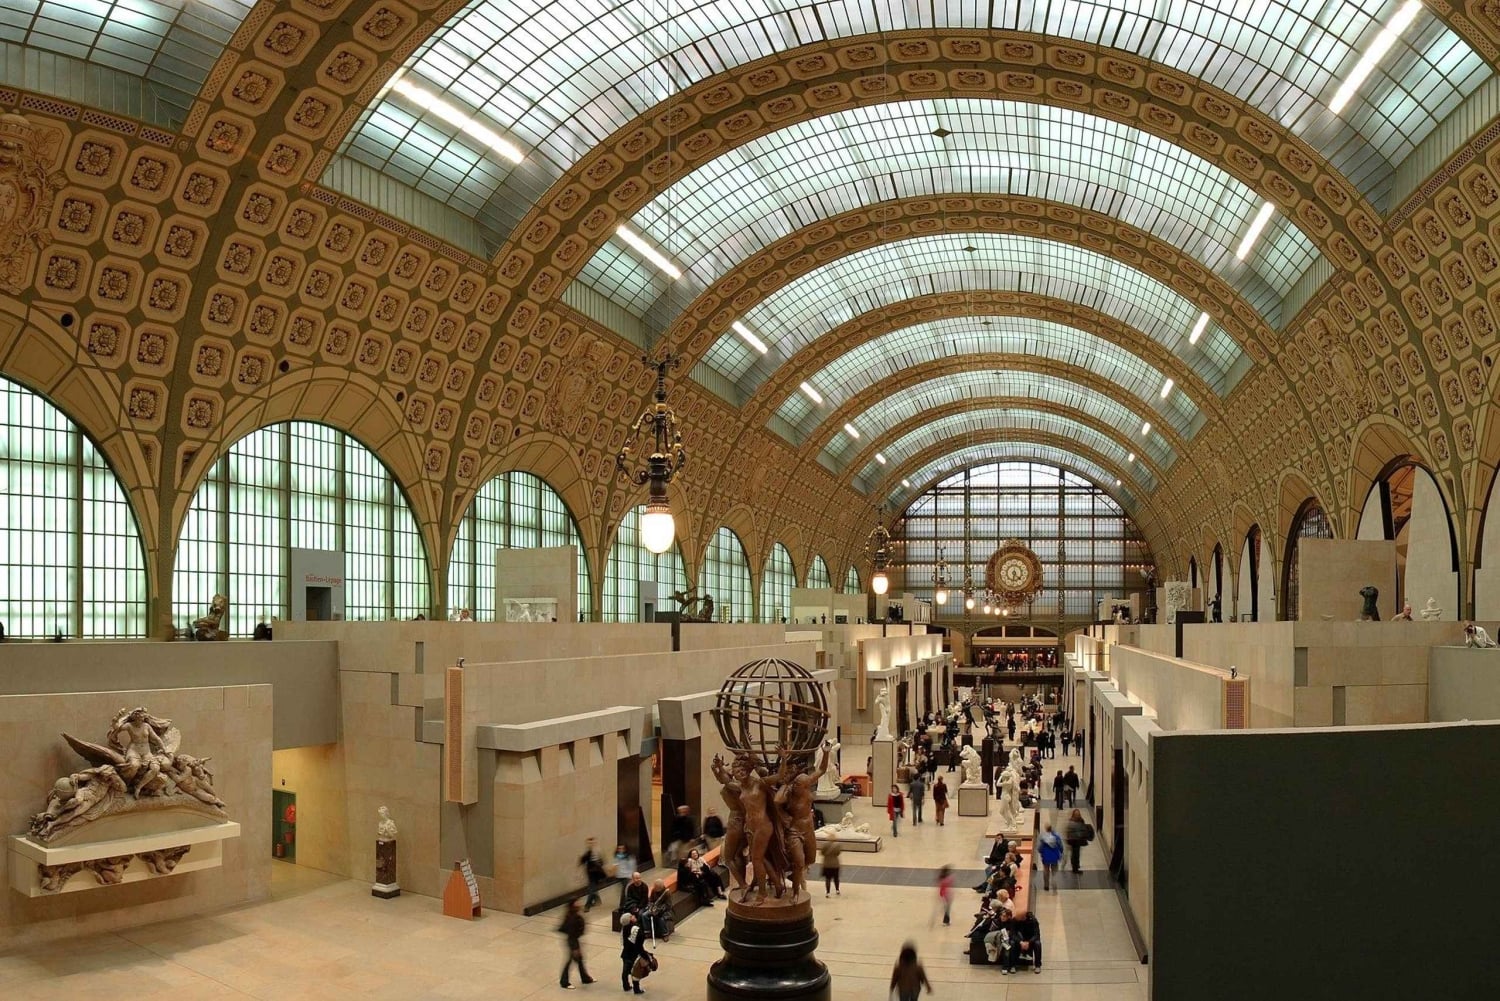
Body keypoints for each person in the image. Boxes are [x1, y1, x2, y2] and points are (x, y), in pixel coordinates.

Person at [558, 899, 594, 989]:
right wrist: (575, 948)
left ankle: (585, 978)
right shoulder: (572, 918)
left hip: (574, 940)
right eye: (576, 903)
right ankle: (564, 982)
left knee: (579, 959)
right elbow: (572, 934)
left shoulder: (573, 915)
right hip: (572, 941)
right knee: (570, 960)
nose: (579, 904)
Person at [619, 912, 648, 994]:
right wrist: (645, 956)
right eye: (631, 916)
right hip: (634, 955)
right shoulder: (637, 930)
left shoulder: (624, 929)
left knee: (625, 972)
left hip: (626, 954)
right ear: (629, 920)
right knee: (636, 973)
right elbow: (639, 945)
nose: (634, 916)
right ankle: (636, 989)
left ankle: (626, 986)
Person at [1008, 910, 1042, 974]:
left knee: (1038, 943)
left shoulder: (1033, 920)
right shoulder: (1014, 920)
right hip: (1019, 940)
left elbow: (1036, 934)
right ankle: (1012, 965)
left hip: (1030, 940)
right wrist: (1020, 942)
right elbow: (1012, 934)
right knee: (1012, 943)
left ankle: (1038, 965)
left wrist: (1029, 942)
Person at [579, 837, 608, 911]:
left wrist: (598, 865)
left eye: (592, 843)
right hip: (590, 873)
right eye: (589, 843)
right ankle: (597, 900)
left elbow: (603, 861)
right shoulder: (587, 852)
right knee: (592, 887)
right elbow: (583, 861)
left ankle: (587, 905)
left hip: (597, 873)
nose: (590, 844)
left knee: (591, 888)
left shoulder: (598, 851)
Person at [1038, 823, 1064, 891]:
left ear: (1046, 829)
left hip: (1046, 855)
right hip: (1054, 855)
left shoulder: (1043, 837)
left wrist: (1041, 852)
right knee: (1054, 870)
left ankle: (1046, 885)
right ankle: (1054, 882)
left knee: (1046, 870)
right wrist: (1061, 852)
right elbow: (1060, 845)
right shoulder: (1056, 836)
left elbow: (1040, 847)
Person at [1065, 808, 1092, 874]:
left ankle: (1075, 865)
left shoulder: (1075, 820)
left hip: (1076, 840)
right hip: (1075, 840)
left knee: (1075, 853)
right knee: (1075, 854)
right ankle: (1075, 868)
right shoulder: (1079, 820)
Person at [821, 830, 842, 896]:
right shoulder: (838, 845)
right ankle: (837, 890)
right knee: (836, 878)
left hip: (827, 864)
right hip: (835, 864)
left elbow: (822, 853)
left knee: (828, 879)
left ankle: (828, 892)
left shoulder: (825, 844)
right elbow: (838, 853)